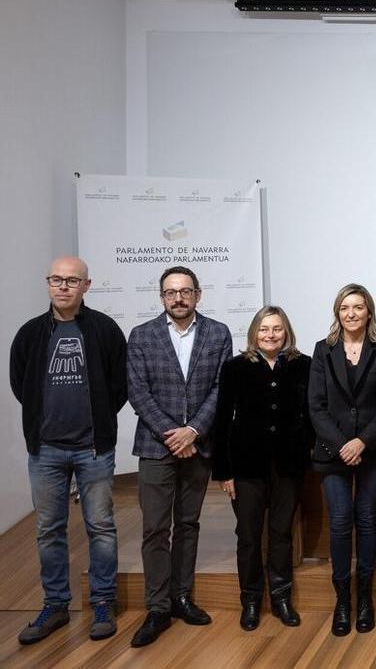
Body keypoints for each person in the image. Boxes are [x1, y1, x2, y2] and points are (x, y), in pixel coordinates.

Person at [9, 257, 126, 645]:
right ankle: (56, 605)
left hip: (93, 449)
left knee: (101, 528)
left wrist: (99, 424)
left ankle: (103, 602)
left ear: (86, 286)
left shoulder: (105, 330)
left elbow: (118, 386)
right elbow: (19, 383)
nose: (63, 287)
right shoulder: (30, 334)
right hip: (45, 451)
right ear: (48, 283)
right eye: (56, 280)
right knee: (48, 531)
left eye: (71, 280)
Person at [126, 266, 232, 648]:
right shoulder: (142, 336)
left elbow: (223, 387)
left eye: (185, 291)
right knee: (155, 527)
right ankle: (157, 607)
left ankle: (181, 597)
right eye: (170, 292)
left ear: (198, 295)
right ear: (161, 297)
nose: (178, 298)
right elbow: (138, 392)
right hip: (157, 446)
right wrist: (173, 435)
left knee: (188, 523)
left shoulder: (218, 333)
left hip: (199, 444)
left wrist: (194, 431)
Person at [212, 306, 313, 631]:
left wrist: (307, 451)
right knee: (249, 536)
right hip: (246, 467)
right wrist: (223, 471)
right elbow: (222, 420)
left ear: (287, 333)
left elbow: (311, 414)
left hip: (288, 465)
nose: (271, 335)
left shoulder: (303, 365)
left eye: (277, 329)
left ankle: (282, 598)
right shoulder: (235, 368)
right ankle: (251, 600)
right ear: (255, 332)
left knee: (281, 533)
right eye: (265, 329)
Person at [309, 284, 376, 636]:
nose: (352, 313)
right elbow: (316, 405)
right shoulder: (322, 351)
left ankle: (366, 598)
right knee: (341, 521)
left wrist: (362, 441)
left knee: (367, 519)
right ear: (337, 312)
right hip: (333, 451)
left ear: (369, 312)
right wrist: (345, 443)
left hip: (372, 449)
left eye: (358, 307)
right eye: (345, 307)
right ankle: (342, 600)